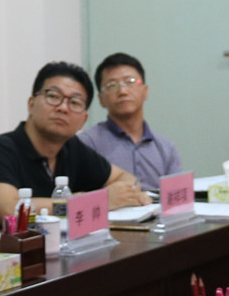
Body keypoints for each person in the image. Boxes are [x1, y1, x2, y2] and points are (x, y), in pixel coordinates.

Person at [0, 62, 149, 219]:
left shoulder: (72, 148)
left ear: (83, 120)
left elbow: (127, 179)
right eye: (53, 96)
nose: (63, 108)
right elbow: (10, 209)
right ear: (31, 104)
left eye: (74, 102)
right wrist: (95, 201)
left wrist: (119, 195)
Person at [77, 52, 183, 194]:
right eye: (112, 85)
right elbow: (80, 197)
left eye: (130, 82)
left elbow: (177, 198)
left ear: (145, 91)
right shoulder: (87, 144)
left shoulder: (166, 148)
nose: (123, 91)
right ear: (101, 99)